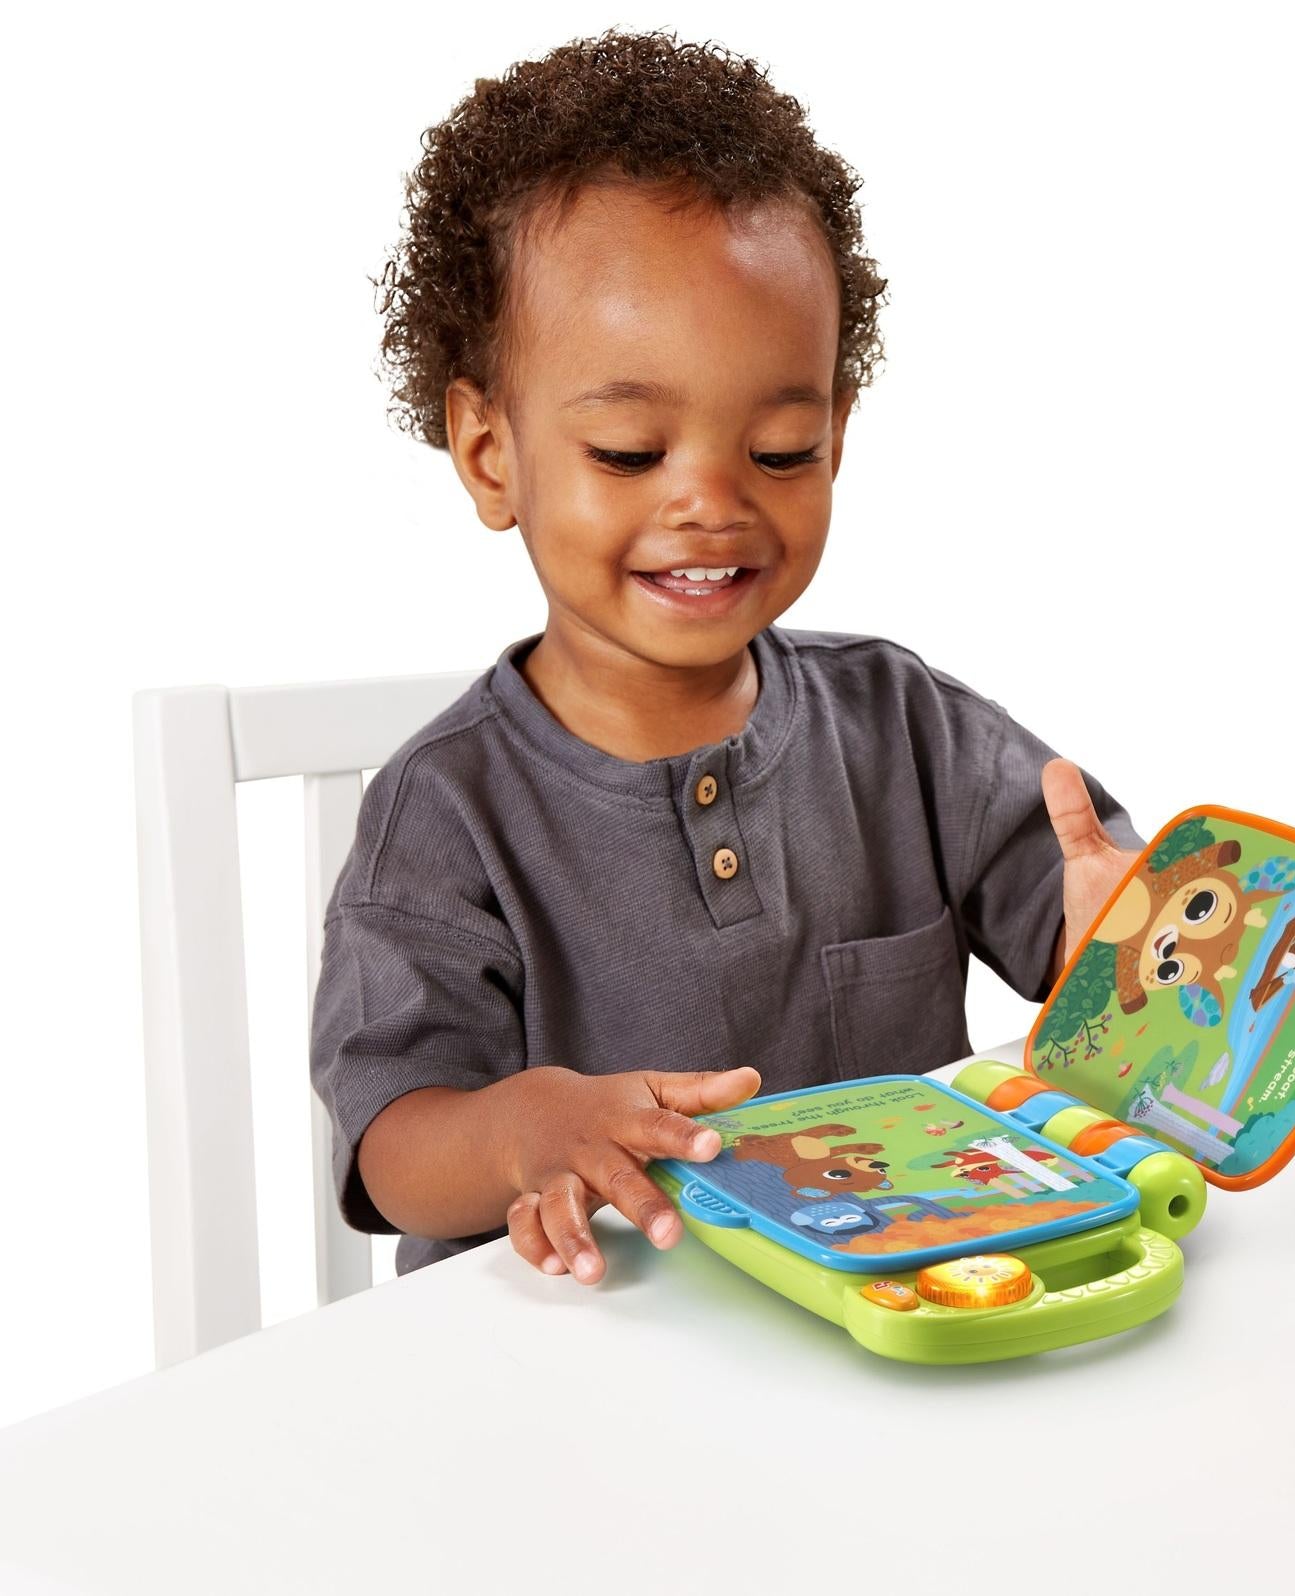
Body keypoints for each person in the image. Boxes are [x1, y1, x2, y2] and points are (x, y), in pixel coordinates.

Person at [311, 27, 1145, 1285]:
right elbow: (390, 1152)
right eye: (630, 453)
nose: (711, 503)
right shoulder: (446, 812)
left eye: (778, 451)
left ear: (836, 436)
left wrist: (1122, 951)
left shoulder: (904, 727)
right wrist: (522, 1130)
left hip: (892, 1315)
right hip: (579, 1354)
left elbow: (1105, 951)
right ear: (489, 454)